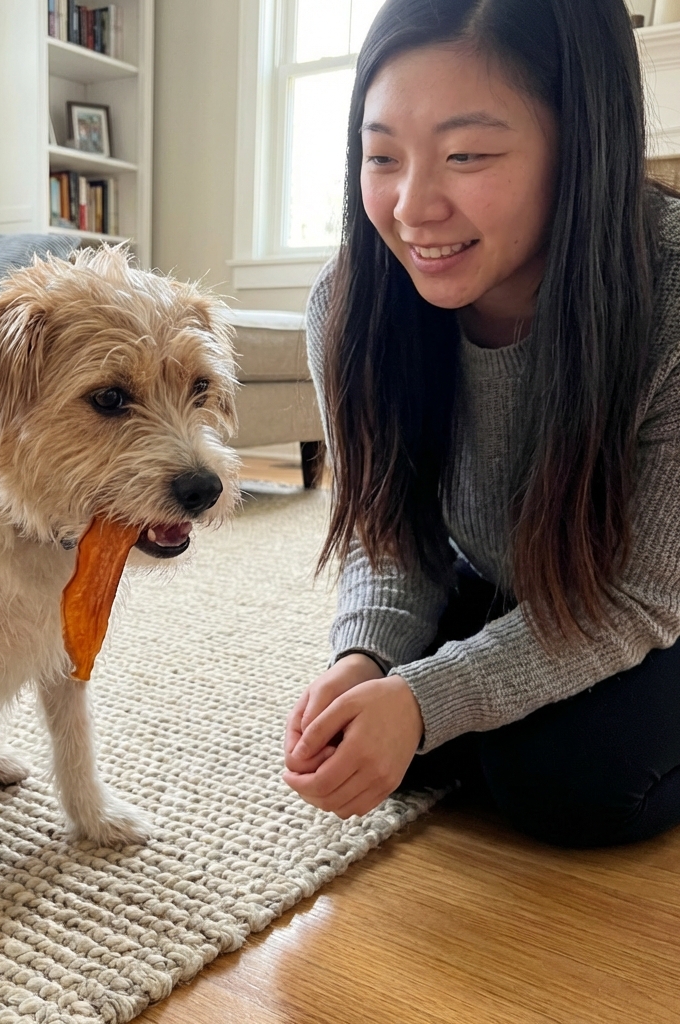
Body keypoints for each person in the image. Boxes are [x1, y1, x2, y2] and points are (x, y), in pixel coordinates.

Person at [283, 0, 680, 848]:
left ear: (582, 143)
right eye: (382, 155)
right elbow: (391, 532)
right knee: (387, 729)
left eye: (468, 154)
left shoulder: (670, 295)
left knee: (571, 778)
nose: (412, 206)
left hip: (657, 593)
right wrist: (367, 659)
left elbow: (643, 592)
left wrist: (429, 699)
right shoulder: (348, 305)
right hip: (526, 575)